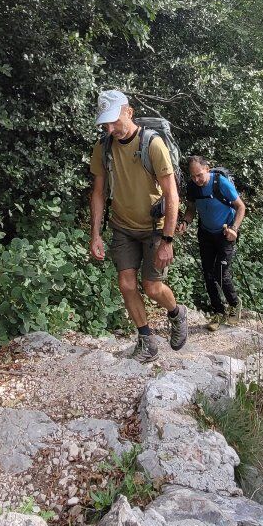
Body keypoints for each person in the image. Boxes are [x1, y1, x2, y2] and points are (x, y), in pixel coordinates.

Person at [89, 89, 188, 363]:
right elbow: (98, 192)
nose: (110, 129)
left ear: (128, 112)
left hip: (154, 227)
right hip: (122, 226)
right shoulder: (103, 147)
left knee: (152, 287)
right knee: (126, 284)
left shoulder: (152, 145)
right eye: (104, 124)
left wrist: (168, 240)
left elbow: (172, 194)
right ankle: (147, 341)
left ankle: (177, 313)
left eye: (114, 122)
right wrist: (95, 234)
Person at [180, 156, 246, 329]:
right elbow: (191, 209)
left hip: (225, 233)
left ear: (207, 169)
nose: (197, 180)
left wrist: (234, 229)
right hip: (206, 233)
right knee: (208, 275)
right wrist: (185, 223)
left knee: (221, 273)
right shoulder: (193, 186)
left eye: (200, 175)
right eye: (193, 176)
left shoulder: (220, 183)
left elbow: (241, 207)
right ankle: (218, 312)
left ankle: (234, 304)